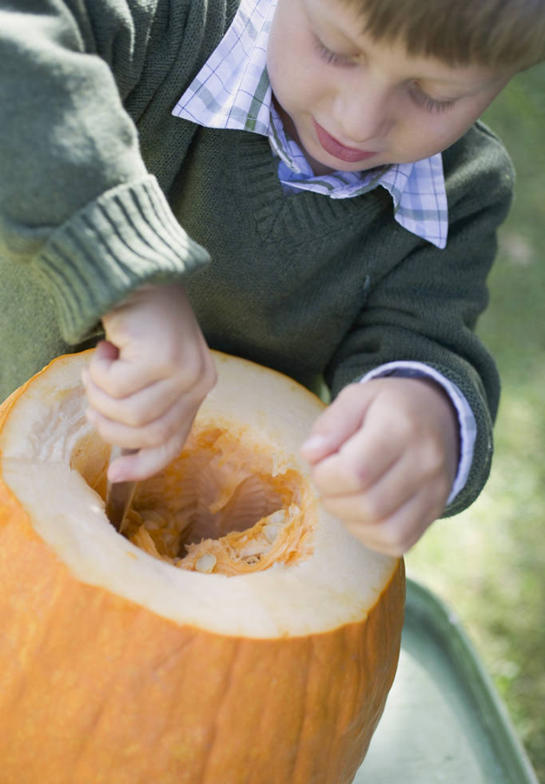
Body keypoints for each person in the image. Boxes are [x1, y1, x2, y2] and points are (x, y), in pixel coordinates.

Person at [1, 0, 543, 557]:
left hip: (215, 559)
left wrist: (426, 411)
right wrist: (132, 274)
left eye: (436, 94)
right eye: (334, 49)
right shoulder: (164, 24)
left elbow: (422, 334)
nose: (358, 119)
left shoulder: (466, 189)